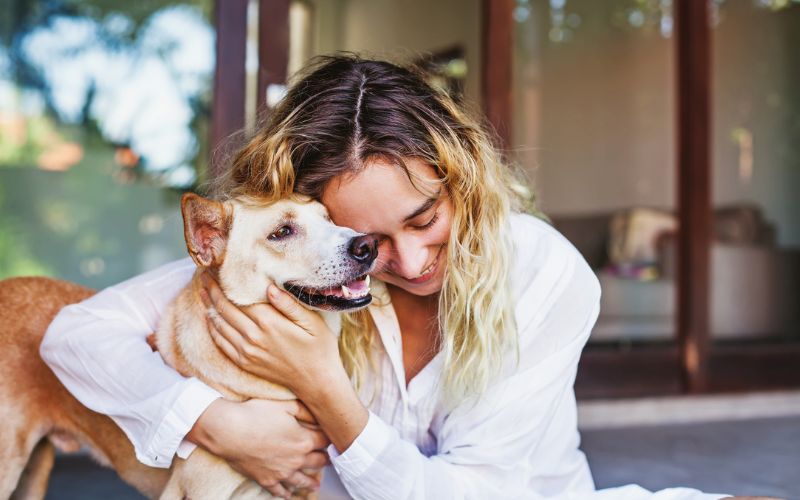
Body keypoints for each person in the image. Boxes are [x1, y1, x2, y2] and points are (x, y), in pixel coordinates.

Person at [40, 55, 728, 500]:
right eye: (367, 243)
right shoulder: (306, 263)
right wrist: (217, 423)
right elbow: (75, 335)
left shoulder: (542, 270)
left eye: (425, 218)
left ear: (459, 177)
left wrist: (322, 385)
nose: (413, 260)